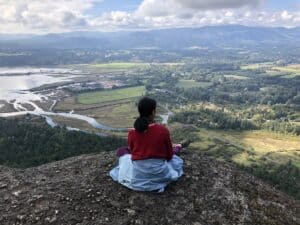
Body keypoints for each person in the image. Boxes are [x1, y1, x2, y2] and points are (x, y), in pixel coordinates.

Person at [109, 97, 184, 192]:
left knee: (124, 156)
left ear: (139, 111)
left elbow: (133, 154)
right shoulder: (163, 130)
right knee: (176, 161)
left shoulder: (132, 133)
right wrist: (176, 148)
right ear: (153, 112)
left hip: (138, 176)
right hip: (160, 175)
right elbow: (169, 156)